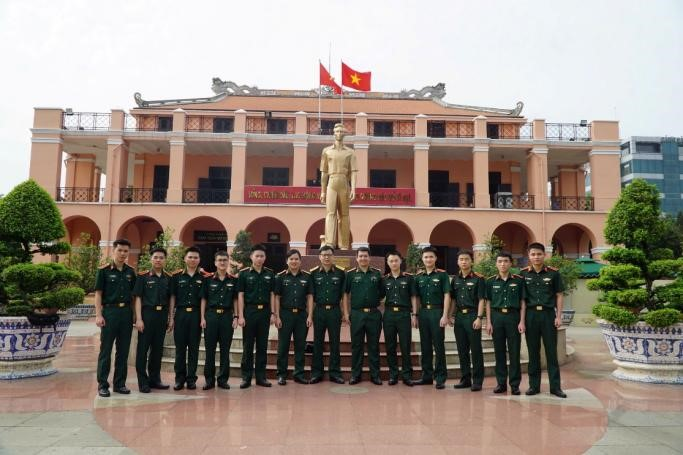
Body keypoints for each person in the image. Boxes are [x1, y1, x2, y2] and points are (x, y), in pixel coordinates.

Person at [520, 242, 567, 398]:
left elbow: (559, 295)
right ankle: (534, 386)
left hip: (548, 315)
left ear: (544, 255)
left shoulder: (554, 274)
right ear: (529, 256)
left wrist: (559, 316)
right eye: (533, 254)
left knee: (551, 352)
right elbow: (522, 300)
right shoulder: (523, 274)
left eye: (539, 254)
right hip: (531, 316)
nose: (536, 257)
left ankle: (555, 387)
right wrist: (522, 321)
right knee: (533, 352)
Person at [94, 238, 136, 397]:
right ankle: (103, 384)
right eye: (120, 250)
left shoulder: (131, 272)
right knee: (106, 350)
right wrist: (98, 315)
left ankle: (119, 384)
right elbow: (98, 294)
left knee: (123, 351)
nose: (123, 254)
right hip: (110, 313)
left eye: (126, 251)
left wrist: (134, 315)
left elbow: (134, 296)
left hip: (126, 314)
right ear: (114, 251)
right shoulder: (104, 270)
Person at [485, 251, 526, 395]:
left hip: (513, 317)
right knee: (499, 352)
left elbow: (522, 302)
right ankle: (501, 383)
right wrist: (488, 322)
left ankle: (514, 385)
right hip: (497, 318)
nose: (503, 264)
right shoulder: (490, 281)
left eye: (506, 261)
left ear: (511, 263)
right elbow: (488, 303)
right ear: (496, 264)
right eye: (500, 261)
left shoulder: (519, 280)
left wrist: (522, 321)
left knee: (514, 352)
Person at [133, 246, 172, 393]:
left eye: (161, 258)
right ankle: (143, 382)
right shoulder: (143, 277)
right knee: (143, 350)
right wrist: (139, 319)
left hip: (162, 316)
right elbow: (138, 298)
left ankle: (155, 380)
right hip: (147, 315)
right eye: (155, 257)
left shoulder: (168, 278)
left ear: (165, 260)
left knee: (157, 350)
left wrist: (170, 318)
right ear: (151, 259)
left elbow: (170, 299)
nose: (158, 260)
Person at [343, 247, 384, 385]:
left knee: (374, 346)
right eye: (360, 256)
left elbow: (382, 293)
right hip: (357, 314)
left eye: (365, 256)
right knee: (356, 346)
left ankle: (375, 375)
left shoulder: (377, 274)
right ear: (356, 258)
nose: (363, 258)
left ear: (369, 258)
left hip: (373, 314)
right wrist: (346, 313)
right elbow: (345, 294)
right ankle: (355, 375)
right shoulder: (350, 274)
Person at [237, 244, 276, 389]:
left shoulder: (270, 274)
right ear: (251, 257)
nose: (259, 258)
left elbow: (272, 295)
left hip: (264, 312)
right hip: (250, 312)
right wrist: (241, 315)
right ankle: (246, 377)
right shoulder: (244, 274)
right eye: (257, 256)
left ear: (265, 258)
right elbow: (240, 295)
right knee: (248, 346)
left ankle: (261, 377)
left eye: (262, 256)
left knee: (262, 346)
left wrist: (273, 313)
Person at [273, 249, 313, 385]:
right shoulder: (280, 277)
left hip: (301, 315)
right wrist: (277, 316)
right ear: (287, 261)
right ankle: (281, 374)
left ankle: (299, 374)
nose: (294, 261)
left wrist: (310, 316)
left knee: (300, 346)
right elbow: (277, 297)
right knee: (283, 346)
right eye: (291, 259)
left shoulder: (307, 277)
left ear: (300, 261)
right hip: (285, 314)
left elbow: (310, 297)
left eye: (296, 259)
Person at [170, 246, 207, 391]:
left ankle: (191, 379)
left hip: (196, 315)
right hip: (180, 314)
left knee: (193, 349)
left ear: (199, 260)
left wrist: (202, 318)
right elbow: (173, 297)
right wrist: (171, 317)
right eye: (190, 257)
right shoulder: (176, 276)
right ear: (185, 259)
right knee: (180, 349)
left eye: (195, 257)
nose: (192, 259)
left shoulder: (203, 277)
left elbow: (204, 299)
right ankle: (179, 379)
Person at [413, 247, 451, 389]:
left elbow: (447, 295)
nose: (428, 259)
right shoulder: (418, 277)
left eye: (431, 257)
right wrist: (415, 315)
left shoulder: (442, 275)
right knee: (425, 345)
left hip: (437, 312)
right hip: (423, 313)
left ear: (435, 258)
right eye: (426, 257)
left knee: (438, 345)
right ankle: (427, 376)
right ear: (422, 259)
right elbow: (416, 298)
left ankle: (440, 377)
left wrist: (445, 315)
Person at [200, 250, 238, 390]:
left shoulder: (233, 280)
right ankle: (209, 380)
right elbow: (204, 299)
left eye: (225, 260)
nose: (222, 262)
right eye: (220, 260)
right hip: (211, 317)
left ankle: (222, 379)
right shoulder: (208, 279)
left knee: (225, 350)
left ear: (228, 262)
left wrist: (236, 316)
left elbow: (235, 300)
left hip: (227, 317)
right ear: (215, 262)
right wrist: (202, 317)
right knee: (210, 350)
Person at [309, 245, 346, 384]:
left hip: (334, 311)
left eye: (329, 255)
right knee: (318, 342)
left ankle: (335, 373)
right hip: (319, 311)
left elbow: (344, 295)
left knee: (335, 343)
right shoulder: (313, 273)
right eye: (324, 255)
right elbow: (311, 295)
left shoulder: (341, 273)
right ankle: (316, 373)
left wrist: (344, 312)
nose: (326, 257)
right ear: (319, 257)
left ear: (333, 256)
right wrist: (310, 314)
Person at [449, 250, 486, 391]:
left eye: (466, 259)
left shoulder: (478, 279)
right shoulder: (455, 279)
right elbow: (453, 300)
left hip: (472, 316)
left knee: (475, 350)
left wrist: (479, 318)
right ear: (457, 262)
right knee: (462, 349)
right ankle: (465, 379)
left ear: (472, 261)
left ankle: (477, 381)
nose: (463, 262)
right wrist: (451, 315)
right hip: (459, 317)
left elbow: (481, 299)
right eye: (461, 259)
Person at [319, 123, 358, 249]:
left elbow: (353, 172)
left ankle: (344, 245)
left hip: (344, 182)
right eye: (337, 131)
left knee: (344, 215)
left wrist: (353, 189)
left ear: (344, 134)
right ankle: (329, 243)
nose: (339, 133)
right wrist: (323, 191)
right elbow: (324, 173)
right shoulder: (326, 151)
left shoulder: (350, 152)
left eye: (341, 131)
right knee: (330, 213)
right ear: (334, 133)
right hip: (332, 182)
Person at [382, 251, 417, 386]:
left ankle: (407, 375)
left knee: (405, 345)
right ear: (387, 263)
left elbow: (413, 297)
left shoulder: (409, 278)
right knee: (390, 346)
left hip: (404, 315)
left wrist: (414, 314)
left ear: (401, 261)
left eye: (396, 260)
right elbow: (379, 296)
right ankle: (393, 375)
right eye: (391, 261)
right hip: (389, 315)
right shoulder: (384, 279)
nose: (394, 263)